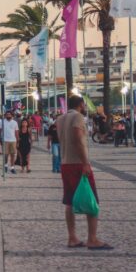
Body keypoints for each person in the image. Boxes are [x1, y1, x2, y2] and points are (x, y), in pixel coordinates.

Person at [56, 95, 111, 249]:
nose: (85, 107)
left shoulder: (60, 119)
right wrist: (85, 163)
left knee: (69, 201)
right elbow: (78, 139)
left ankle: (72, 237)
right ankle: (92, 239)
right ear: (80, 104)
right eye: (84, 104)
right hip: (77, 164)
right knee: (92, 200)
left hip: (65, 163)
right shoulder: (78, 117)